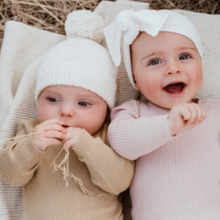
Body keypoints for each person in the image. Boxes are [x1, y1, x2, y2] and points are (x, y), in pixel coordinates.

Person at [0, 10, 134, 220]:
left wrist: (87, 145)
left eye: (83, 103)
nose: (65, 111)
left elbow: (119, 183)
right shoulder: (31, 131)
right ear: (37, 100)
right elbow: (11, 176)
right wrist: (32, 146)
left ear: (106, 109)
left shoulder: (110, 135)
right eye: (52, 99)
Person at [104, 9, 220, 220]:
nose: (173, 68)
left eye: (184, 56)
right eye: (155, 62)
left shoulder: (215, 112)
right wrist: (168, 125)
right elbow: (121, 143)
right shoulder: (134, 112)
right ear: (135, 81)